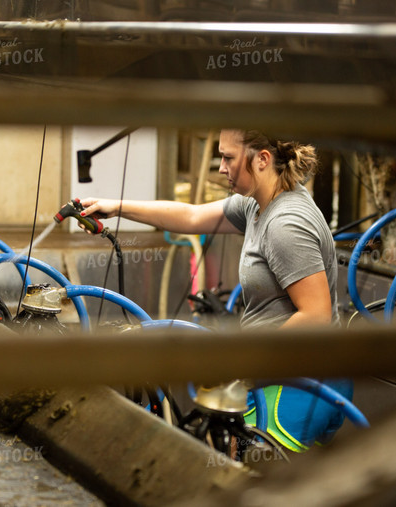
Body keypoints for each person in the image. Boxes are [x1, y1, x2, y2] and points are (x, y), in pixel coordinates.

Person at [79, 128, 352, 452]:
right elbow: (193, 216)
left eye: (228, 158)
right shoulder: (258, 205)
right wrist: (116, 206)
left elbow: (317, 316)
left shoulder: (285, 223)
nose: (221, 167)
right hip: (278, 374)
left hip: (302, 385)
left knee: (253, 483)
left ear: (262, 159)